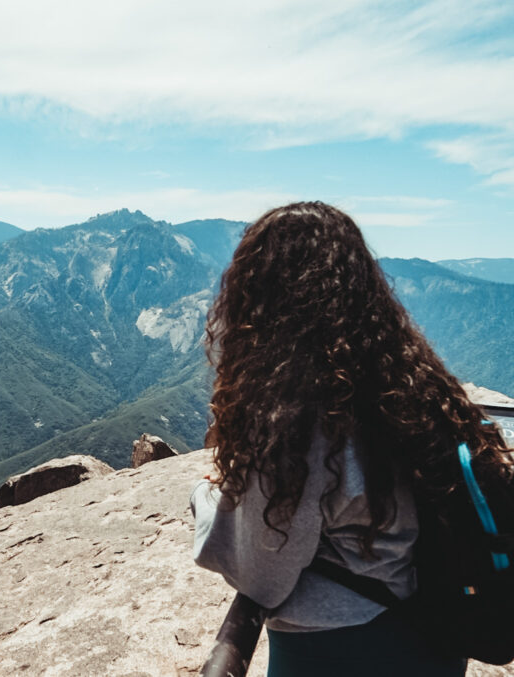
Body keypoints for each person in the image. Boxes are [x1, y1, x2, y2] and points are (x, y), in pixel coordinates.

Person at [190, 202, 510, 676]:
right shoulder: (408, 387)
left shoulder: (291, 422)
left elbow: (262, 574)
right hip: (433, 637)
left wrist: (206, 497)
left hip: (334, 652)